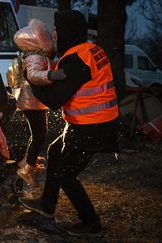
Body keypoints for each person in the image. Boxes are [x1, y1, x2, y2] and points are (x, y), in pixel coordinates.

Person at [18, 10, 119, 237]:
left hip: (92, 127)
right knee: (55, 151)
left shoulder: (75, 60)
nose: (53, 33)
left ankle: (92, 224)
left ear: (67, 31)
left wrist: (30, 77)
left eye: (56, 28)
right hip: (92, 122)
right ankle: (47, 204)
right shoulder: (91, 49)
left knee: (65, 174)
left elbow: (54, 100)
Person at [11, 18, 66, 187]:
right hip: (31, 102)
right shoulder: (34, 56)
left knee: (39, 133)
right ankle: (27, 167)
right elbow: (34, 75)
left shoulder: (37, 55)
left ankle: (29, 161)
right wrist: (51, 76)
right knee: (40, 134)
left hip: (34, 102)